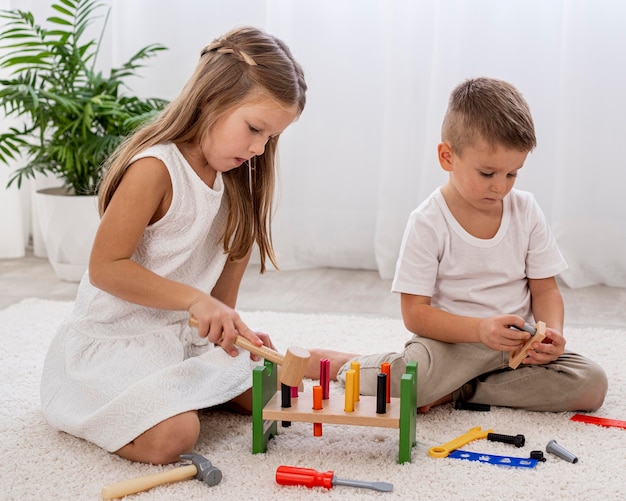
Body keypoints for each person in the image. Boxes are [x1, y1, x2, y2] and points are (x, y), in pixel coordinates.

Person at [40, 26, 307, 465]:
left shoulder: (241, 187)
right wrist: (195, 301)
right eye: (255, 129)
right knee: (176, 436)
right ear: (210, 99)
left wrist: (232, 331)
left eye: (270, 138)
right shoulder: (155, 169)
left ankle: (175, 390)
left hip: (180, 339)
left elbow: (219, 303)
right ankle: (92, 409)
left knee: (273, 385)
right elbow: (106, 267)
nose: (259, 148)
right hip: (117, 341)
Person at [307, 77, 607, 413]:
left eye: (512, 174)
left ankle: (457, 391)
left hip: (516, 346)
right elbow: (415, 314)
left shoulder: (526, 210)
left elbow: (546, 290)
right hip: (452, 345)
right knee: (407, 385)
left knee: (590, 383)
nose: (500, 187)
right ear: (447, 157)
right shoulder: (427, 221)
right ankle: (342, 364)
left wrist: (551, 333)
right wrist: (479, 330)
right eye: (487, 173)